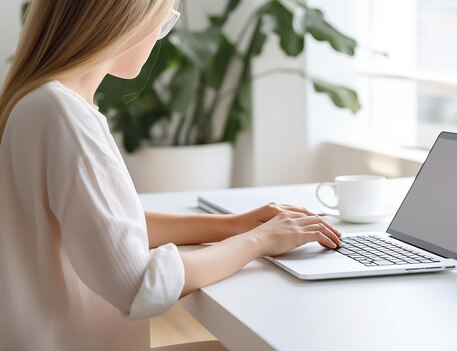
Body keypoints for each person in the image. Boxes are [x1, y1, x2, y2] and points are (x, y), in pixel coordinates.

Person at [0, 1, 342, 350]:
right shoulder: (65, 118)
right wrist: (260, 241)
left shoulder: (39, 104)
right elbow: (139, 285)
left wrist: (235, 225)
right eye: (162, 20)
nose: (158, 35)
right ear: (121, 19)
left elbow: (109, 225)